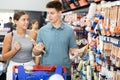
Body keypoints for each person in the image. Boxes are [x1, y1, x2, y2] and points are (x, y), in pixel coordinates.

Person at [33, 1, 84, 80]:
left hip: (64, 72)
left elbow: (73, 50)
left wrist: (77, 52)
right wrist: (37, 49)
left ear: (60, 13)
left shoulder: (69, 31)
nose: (49, 16)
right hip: (46, 71)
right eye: (48, 13)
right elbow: (35, 53)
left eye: (52, 13)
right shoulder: (42, 31)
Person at [2, 11, 37, 80]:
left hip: (29, 66)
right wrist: (14, 50)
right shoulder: (9, 36)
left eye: (27, 19)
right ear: (16, 21)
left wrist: (37, 49)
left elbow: (35, 52)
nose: (27, 22)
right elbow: (4, 57)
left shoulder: (33, 34)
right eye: (23, 19)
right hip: (14, 66)